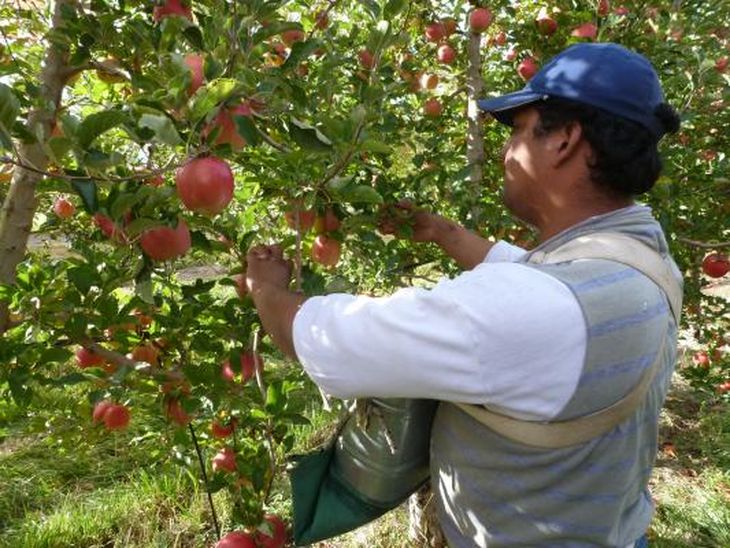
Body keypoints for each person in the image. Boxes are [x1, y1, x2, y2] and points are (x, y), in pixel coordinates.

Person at [245, 43, 683, 547]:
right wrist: (442, 232)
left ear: (564, 139)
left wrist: (268, 292)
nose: (505, 150)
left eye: (517, 130)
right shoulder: (640, 263)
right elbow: (537, 279)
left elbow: (324, 338)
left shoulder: (528, 311)